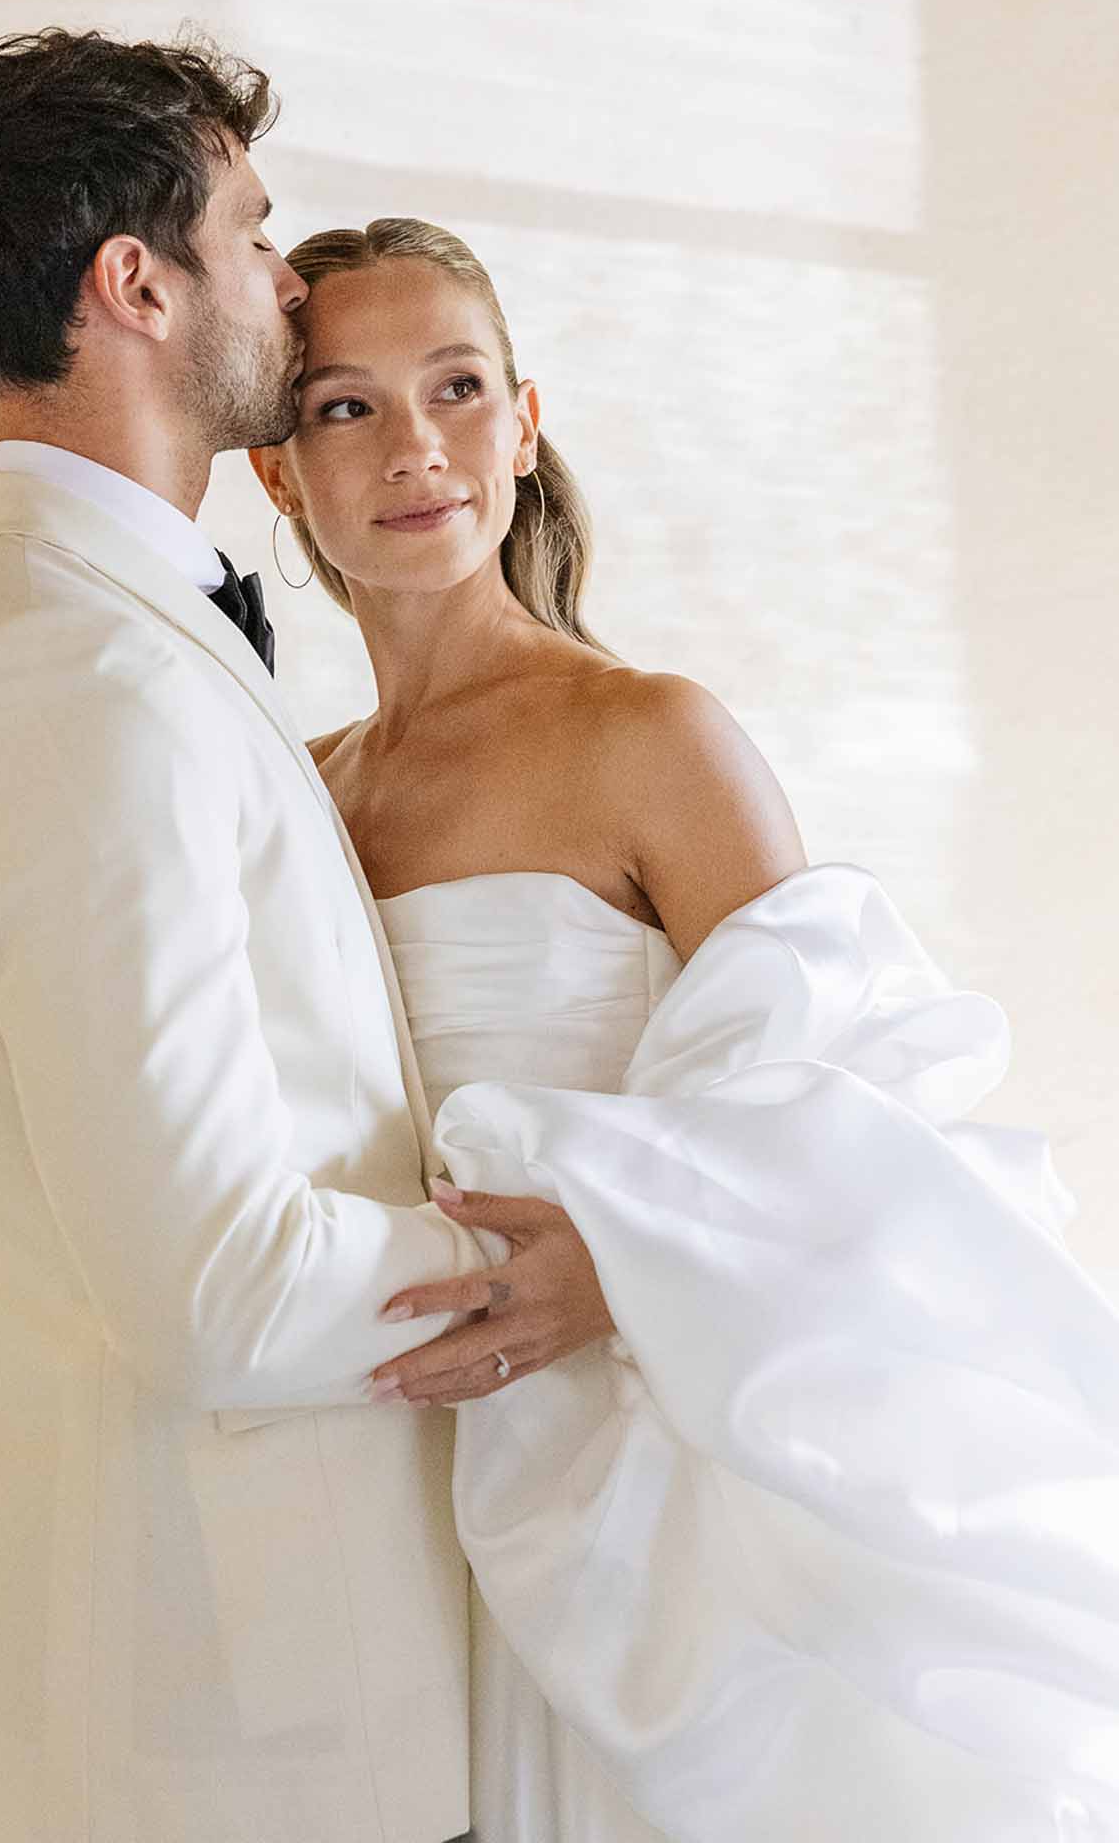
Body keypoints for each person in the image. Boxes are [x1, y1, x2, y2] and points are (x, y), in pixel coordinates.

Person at [0, 32, 616, 1843]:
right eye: (253, 231)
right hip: (235, 1733)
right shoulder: (75, 681)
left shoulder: (71, 631)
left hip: (236, 1701)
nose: (288, 285)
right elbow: (217, 1285)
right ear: (136, 286)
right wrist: (559, 1274)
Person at [248, 218, 1119, 1841]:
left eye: (455, 388)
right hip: (388, 1471)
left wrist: (628, 1260)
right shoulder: (289, 793)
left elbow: (848, 1095)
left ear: (523, 423)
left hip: (635, 1479)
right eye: (344, 407)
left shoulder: (646, 734)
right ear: (276, 473)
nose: (414, 445)